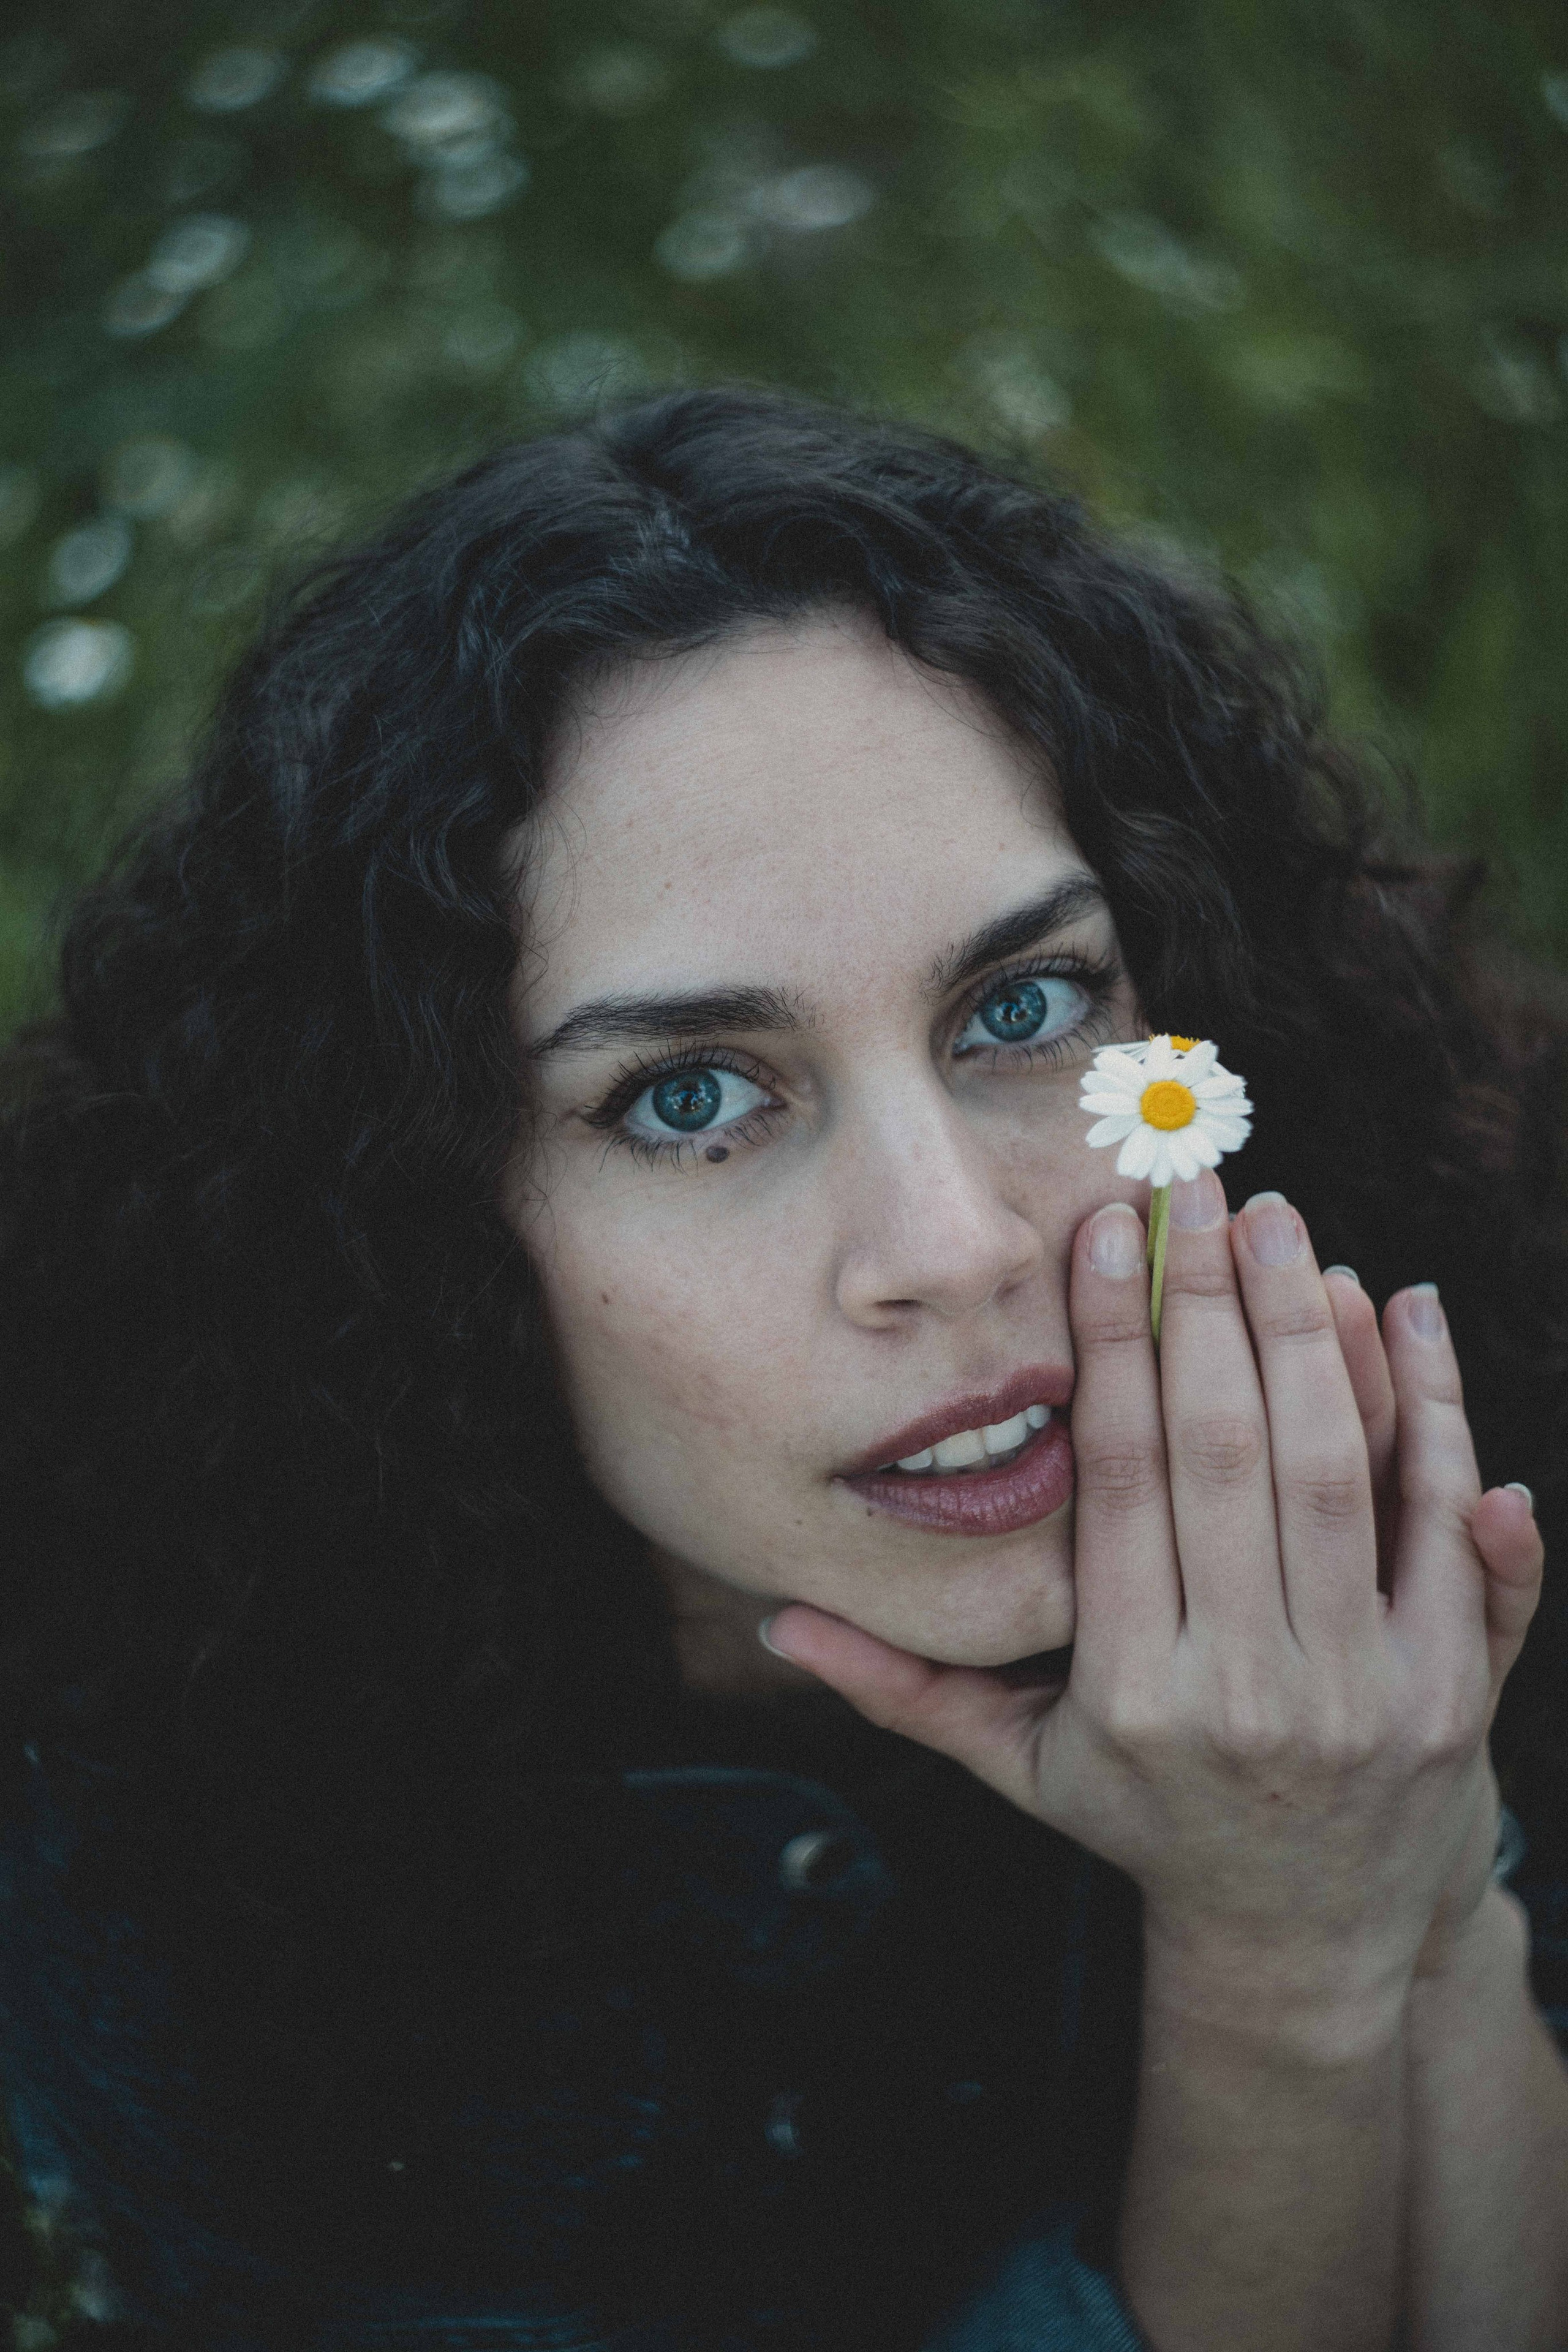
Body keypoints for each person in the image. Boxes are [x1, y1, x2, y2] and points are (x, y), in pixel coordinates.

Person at [1, 387, 1566, 2352]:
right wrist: (1294, 1968)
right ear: (417, 1213)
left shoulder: (1486, 1473)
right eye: (692, 1098)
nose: (953, 1245)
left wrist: (1435, 1871)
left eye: (1025, 1002)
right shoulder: (185, 1838)